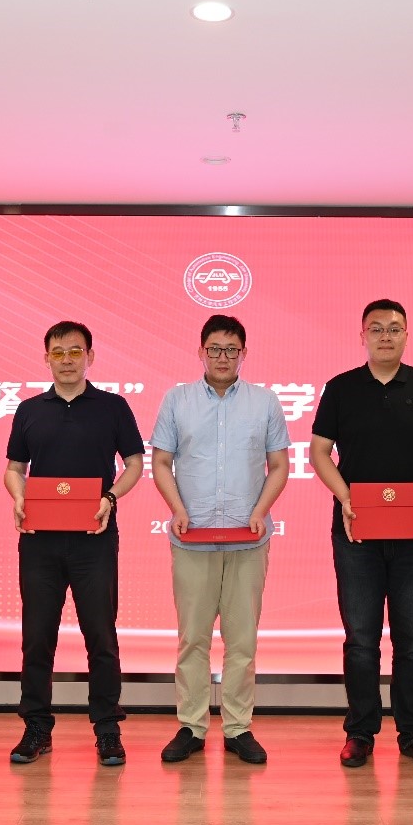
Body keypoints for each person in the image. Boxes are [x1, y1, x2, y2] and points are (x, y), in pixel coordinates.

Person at [310, 299, 413, 769]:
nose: (385, 336)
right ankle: (360, 732)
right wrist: (345, 497)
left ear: (406, 335)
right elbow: (319, 452)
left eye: (394, 328)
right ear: (362, 336)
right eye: (376, 328)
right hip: (357, 531)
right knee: (361, 640)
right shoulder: (341, 388)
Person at [4, 321, 145, 766]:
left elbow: (135, 463)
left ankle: (107, 729)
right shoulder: (29, 409)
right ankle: (36, 728)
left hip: (94, 539)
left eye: (75, 351)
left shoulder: (112, 407)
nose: (67, 360)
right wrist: (20, 497)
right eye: (58, 352)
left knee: (101, 635)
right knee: (36, 637)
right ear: (46, 358)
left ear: (90, 357)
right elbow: (14, 468)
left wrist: (110, 498)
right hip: (39, 541)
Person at [152, 315, 291, 764]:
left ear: (243, 354)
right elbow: (161, 462)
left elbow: (279, 465)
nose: (223, 357)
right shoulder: (177, 400)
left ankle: (237, 728)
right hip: (191, 539)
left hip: (248, 541)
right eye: (214, 348)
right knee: (192, 639)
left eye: (232, 349)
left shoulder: (264, 402)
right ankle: (191, 726)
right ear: (201, 352)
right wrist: (178, 509)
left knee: (242, 641)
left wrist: (260, 511)